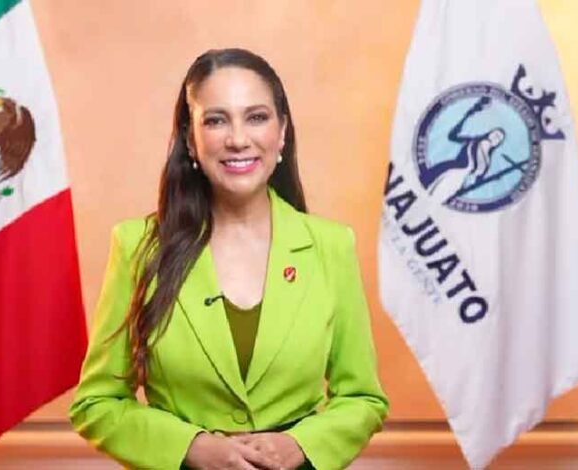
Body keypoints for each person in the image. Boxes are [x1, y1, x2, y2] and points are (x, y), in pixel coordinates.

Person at [69, 48, 389, 470]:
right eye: (216, 120)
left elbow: (363, 398)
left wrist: (299, 444)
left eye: (256, 117)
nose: (238, 139)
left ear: (282, 131)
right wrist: (191, 447)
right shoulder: (138, 247)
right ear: (190, 139)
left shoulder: (331, 246)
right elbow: (96, 403)